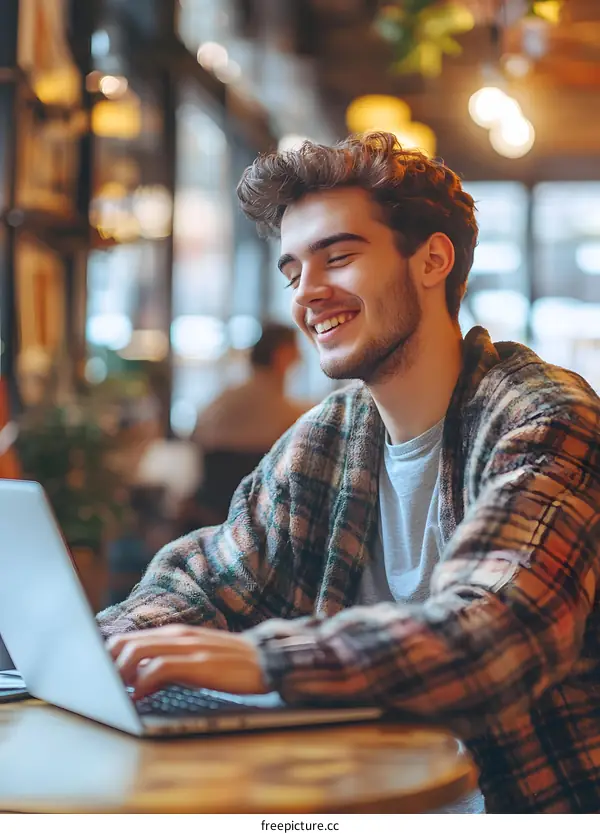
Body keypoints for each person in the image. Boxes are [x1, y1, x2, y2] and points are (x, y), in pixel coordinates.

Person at [98, 133, 600, 814]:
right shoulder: (330, 435)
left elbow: (492, 636)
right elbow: (206, 577)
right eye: (292, 271)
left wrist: (267, 662)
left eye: (338, 256)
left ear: (432, 260)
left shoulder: (545, 419)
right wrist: (112, 647)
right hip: (357, 803)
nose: (308, 293)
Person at [178, 323, 309, 529]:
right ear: (282, 355)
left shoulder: (226, 397)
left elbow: (195, 435)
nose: (301, 357)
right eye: (296, 349)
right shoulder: (281, 410)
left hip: (209, 510)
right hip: (250, 518)